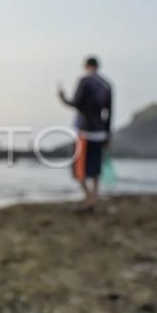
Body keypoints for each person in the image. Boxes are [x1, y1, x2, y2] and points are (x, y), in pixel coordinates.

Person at [57, 55, 113, 210]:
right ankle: (94, 196)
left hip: (85, 131)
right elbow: (109, 111)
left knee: (78, 168)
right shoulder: (107, 85)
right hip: (100, 131)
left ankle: (88, 197)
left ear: (86, 66)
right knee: (95, 167)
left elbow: (76, 103)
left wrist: (62, 98)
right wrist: (108, 134)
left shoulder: (85, 81)